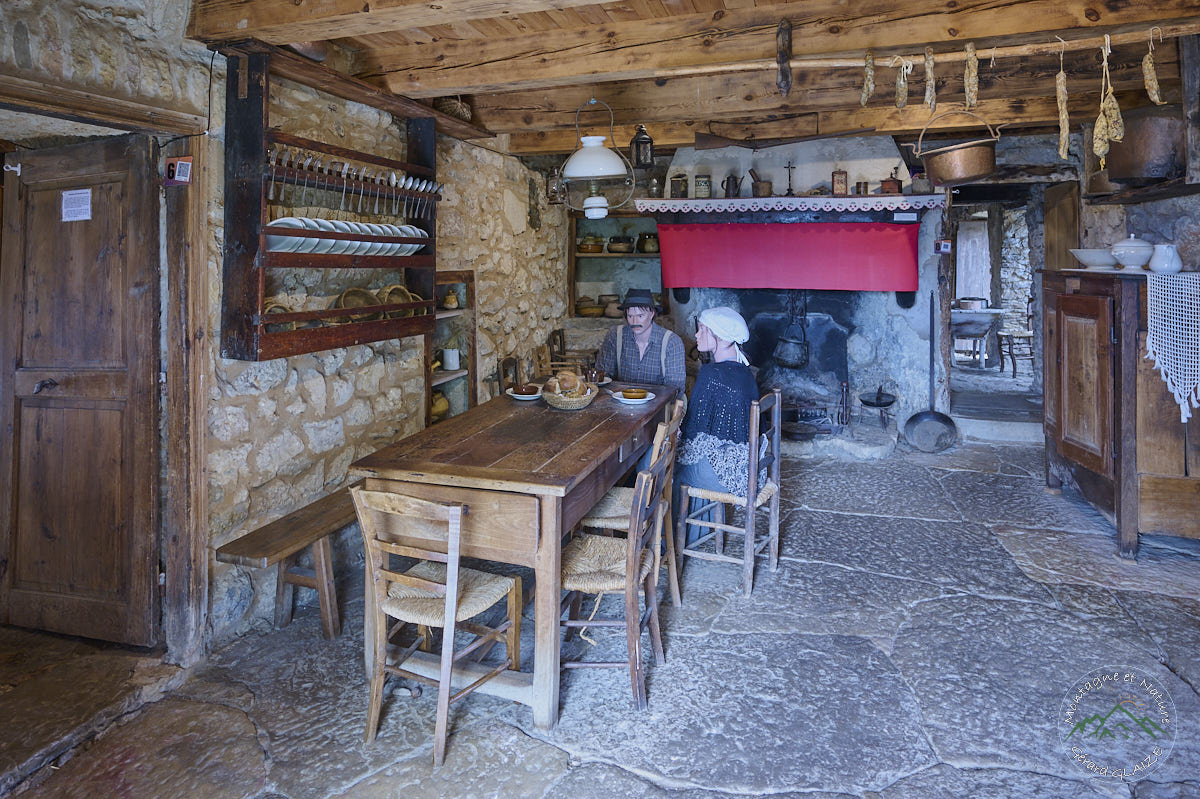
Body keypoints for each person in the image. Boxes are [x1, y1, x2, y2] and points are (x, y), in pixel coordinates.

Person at [674, 306, 762, 546]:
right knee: (693, 459)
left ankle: (670, 543)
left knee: (667, 469)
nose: (696, 335)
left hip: (726, 476)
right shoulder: (744, 372)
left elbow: (691, 433)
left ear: (721, 338)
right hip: (747, 467)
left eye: (703, 330)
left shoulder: (712, 374)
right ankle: (699, 532)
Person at [594, 288, 686, 390]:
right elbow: (602, 376)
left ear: (652, 314)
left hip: (659, 399)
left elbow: (675, 388)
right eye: (630, 316)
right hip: (621, 397)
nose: (634, 322)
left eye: (640, 316)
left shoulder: (671, 342)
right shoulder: (615, 336)